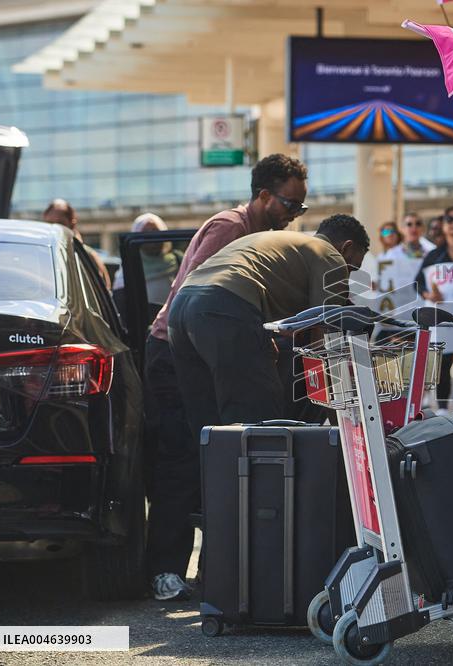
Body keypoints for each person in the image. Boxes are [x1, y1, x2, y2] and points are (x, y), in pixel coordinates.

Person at [144, 153, 310, 601]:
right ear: (262, 195)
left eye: (301, 209)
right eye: (289, 205)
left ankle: (216, 570)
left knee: (220, 454)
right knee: (182, 459)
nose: (293, 217)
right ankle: (164, 571)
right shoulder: (229, 228)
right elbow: (194, 301)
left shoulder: (261, 238)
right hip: (175, 351)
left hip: (211, 356)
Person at [169, 214, 367, 441]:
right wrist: (342, 427)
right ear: (346, 247)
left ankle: (218, 477)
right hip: (223, 306)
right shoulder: (331, 256)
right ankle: (264, 477)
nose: (348, 275)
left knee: (209, 429)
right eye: (353, 267)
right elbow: (323, 348)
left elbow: (254, 280)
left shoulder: (286, 242)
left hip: (182, 308)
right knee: (258, 424)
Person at [416, 206, 453, 413]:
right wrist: (428, 295)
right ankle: (441, 407)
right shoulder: (433, 255)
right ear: (443, 225)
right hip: (442, 316)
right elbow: (419, 283)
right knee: (442, 362)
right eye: (450, 219)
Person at [43, 198, 112, 289]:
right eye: (50, 223)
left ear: (72, 224)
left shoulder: (87, 257)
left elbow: (102, 294)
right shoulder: (41, 255)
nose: (54, 228)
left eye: (60, 223)